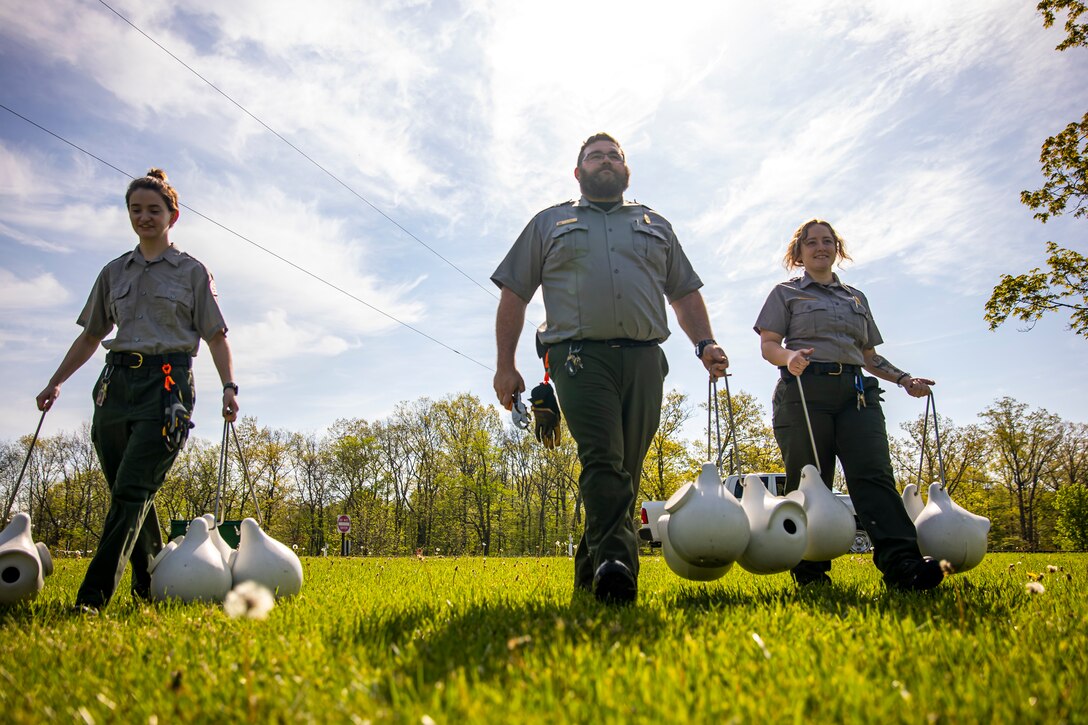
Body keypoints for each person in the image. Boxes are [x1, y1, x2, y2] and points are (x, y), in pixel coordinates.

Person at [491, 133, 729, 604]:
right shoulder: (549, 222)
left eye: (614, 155)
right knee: (602, 458)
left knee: (625, 470)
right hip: (579, 358)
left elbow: (683, 294)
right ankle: (618, 565)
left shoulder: (655, 224)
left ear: (627, 170)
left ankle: (591, 572)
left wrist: (705, 343)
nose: (605, 161)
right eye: (594, 156)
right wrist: (505, 365)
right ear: (577, 172)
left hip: (644, 359)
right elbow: (514, 293)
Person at [36, 168, 239, 611]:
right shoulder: (113, 272)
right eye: (136, 210)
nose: (144, 218)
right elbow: (91, 336)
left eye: (153, 210)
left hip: (168, 390)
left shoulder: (192, 272)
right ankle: (150, 587)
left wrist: (229, 386)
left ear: (173, 215)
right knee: (129, 492)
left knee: (131, 490)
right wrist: (55, 382)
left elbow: (216, 336)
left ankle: (92, 597)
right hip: (115, 386)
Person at [754, 218, 943, 591]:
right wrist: (788, 357)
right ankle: (810, 573)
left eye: (828, 241)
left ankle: (902, 565)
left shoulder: (855, 298)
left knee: (874, 477)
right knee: (811, 480)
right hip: (804, 393)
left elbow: (869, 355)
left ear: (837, 249)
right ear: (799, 252)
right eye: (812, 242)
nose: (820, 247)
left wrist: (906, 380)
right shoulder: (785, 293)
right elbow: (769, 344)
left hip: (857, 393)